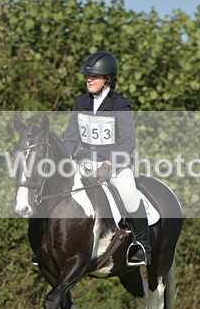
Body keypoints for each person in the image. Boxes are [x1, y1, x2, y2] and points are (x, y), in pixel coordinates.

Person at [61, 51, 150, 266]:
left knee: (129, 195)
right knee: (58, 188)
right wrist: (63, 160)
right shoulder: (80, 102)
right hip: (85, 161)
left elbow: (128, 141)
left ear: (108, 79)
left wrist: (109, 164)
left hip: (115, 162)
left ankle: (142, 246)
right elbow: (71, 139)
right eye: (87, 76)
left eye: (95, 77)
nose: (89, 80)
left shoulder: (120, 105)